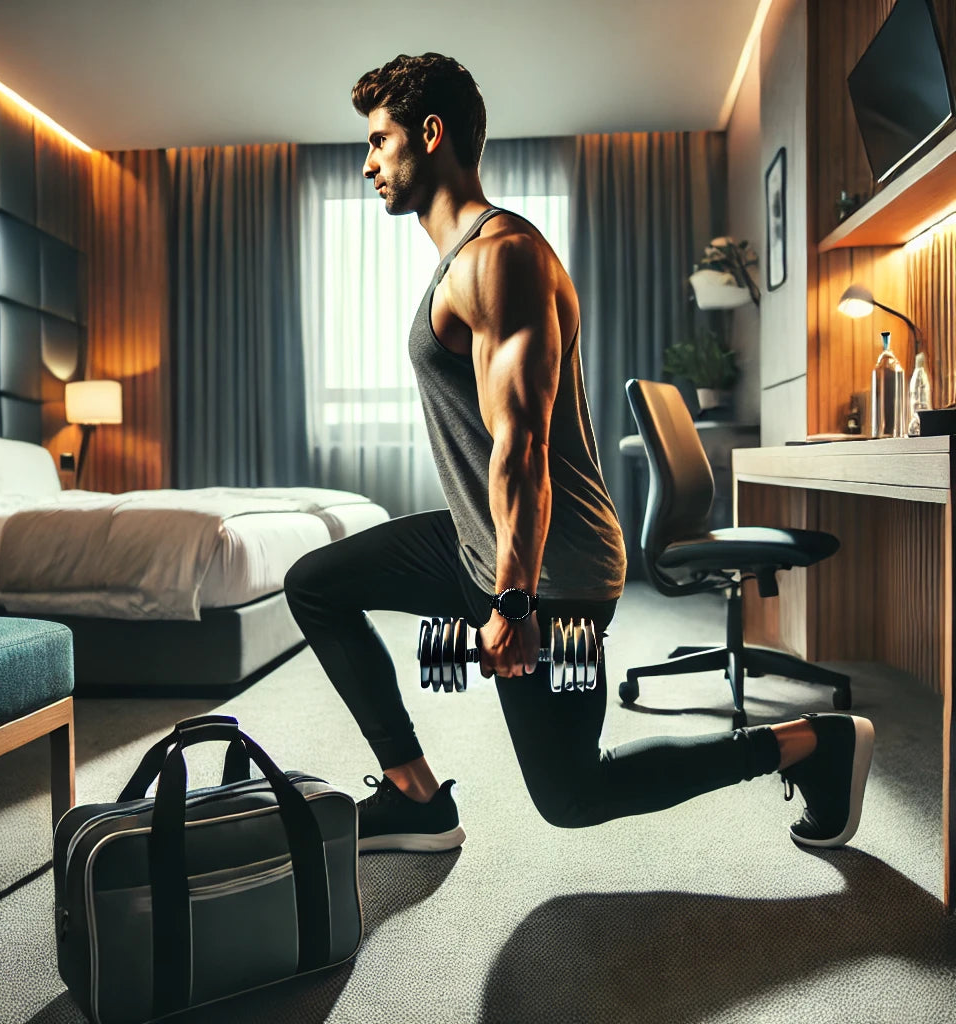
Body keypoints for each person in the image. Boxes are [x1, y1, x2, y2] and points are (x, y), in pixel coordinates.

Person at [284, 53, 874, 854]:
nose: (368, 164)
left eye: (380, 142)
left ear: (431, 134)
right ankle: (412, 795)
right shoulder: (462, 263)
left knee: (572, 794)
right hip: (478, 546)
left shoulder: (501, 259)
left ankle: (813, 744)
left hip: (552, 568)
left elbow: (519, 447)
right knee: (316, 585)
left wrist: (515, 604)